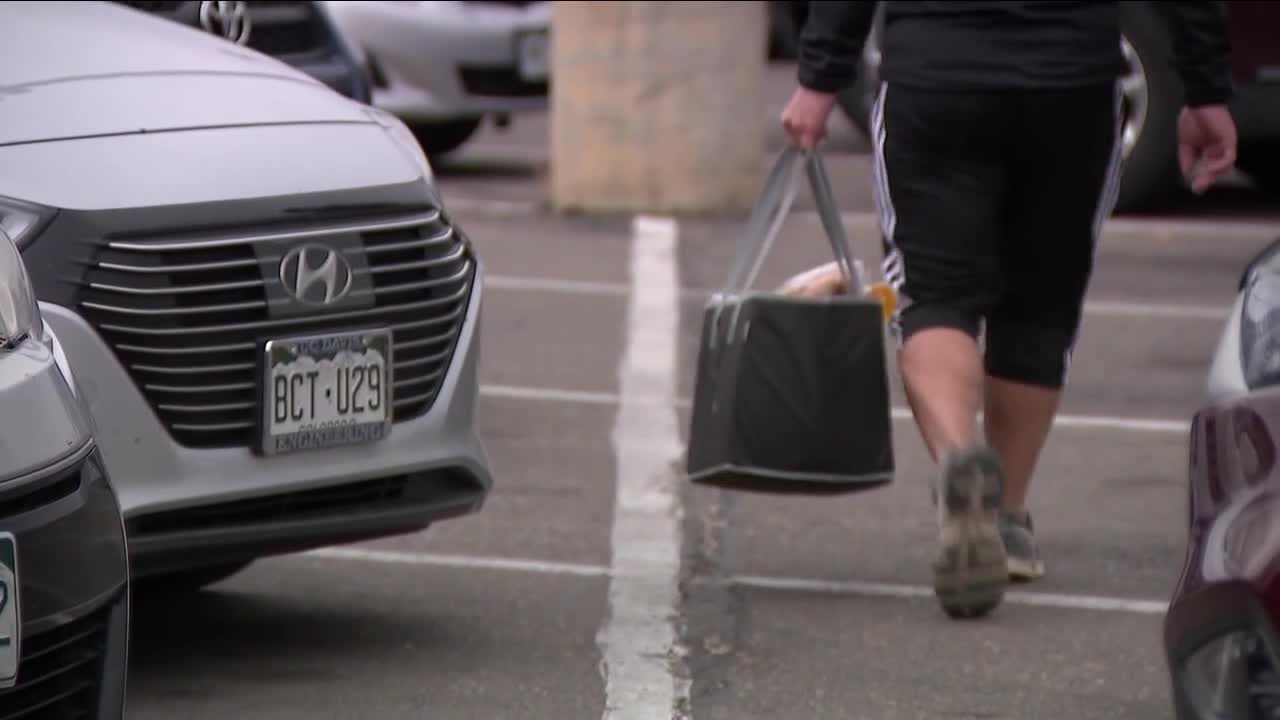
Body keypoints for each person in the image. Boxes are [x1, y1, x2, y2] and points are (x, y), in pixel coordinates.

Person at [781, 0, 1238, 619]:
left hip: (937, 77)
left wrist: (819, 76)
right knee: (1041, 304)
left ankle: (958, 459)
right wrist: (1205, 88)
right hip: (1072, 84)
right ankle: (1007, 518)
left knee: (934, 296)